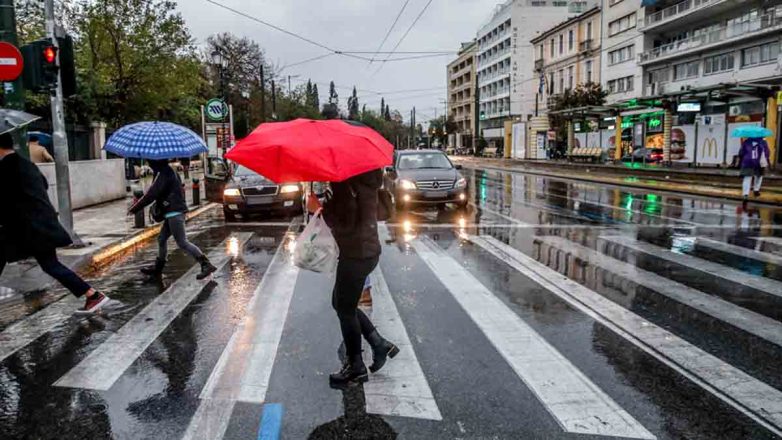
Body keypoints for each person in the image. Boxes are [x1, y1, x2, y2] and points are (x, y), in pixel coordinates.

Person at [308, 169, 399, 387]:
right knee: (340, 303)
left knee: (345, 310)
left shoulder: (345, 183)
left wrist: (318, 210)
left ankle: (356, 367)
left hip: (356, 253)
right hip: (366, 250)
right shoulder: (366, 178)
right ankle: (378, 344)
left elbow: (345, 222)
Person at [0, 132, 110, 313]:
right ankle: (92, 295)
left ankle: (93, 295)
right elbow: (40, 186)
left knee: (50, 265)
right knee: (50, 264)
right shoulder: (27, 164)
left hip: (29, 228)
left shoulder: (6, 168)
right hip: (40, 224)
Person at [129, 159, 216, 279]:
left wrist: (135, 208)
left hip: (174, 213)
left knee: (182, 242)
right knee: (162, 239)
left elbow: (151, 194)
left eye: (150, 162)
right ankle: (158, 268)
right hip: (172, 211)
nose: (149, 164)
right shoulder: (168, 172)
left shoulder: (164, 173)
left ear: (156, 162)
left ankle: (206, 264)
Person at [738, 137, 771, 202]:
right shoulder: (763, 142)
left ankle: (745, 194)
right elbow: (767, 152)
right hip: (759, 162)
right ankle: (756, 190)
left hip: (748, 162)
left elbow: (741, 153)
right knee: (759, 176)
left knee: (747, 178)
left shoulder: (746, 142)